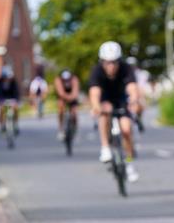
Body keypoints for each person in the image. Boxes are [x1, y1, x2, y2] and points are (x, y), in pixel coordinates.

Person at [88, 41, 141, 182]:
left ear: (119, 61)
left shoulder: (126, 68)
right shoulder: (97, 71)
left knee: (126, 130)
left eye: (114, 62)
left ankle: (129, 162)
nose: (111, 66)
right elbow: (94, 92)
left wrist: (134, 101)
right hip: (105, 99)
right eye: (107, 63)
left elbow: (132, 88)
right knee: (104, 114)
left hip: (121, 99)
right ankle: (105, 147)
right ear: (102, 62)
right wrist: (96, 106)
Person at [0, 65, 21, 135]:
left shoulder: (13, 82)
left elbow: (17, 92)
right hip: (2, 99)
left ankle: (15, 124)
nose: (7, 79)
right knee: (2, 110)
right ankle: (2, 126)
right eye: (6, 77)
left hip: (12, 98)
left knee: (16, 109)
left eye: (9, 77)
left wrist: (17, 100)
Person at [55, 69, 81, 141]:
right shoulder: (58, 80)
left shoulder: (74, 79)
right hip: (63, 96)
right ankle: (61, 129)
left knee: (74, 112)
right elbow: (61, 92)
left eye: (68, 79)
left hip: (72, 96)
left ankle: (75, 129)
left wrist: (72, 97)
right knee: (60, 109)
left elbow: (75, 91)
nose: (66, 81)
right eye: (65, 80)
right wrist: (67, 98)